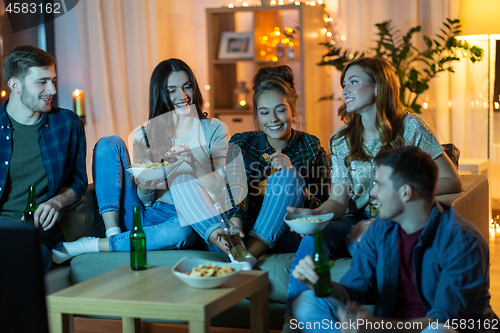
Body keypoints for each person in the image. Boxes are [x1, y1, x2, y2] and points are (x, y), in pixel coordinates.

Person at [284, 57, 463, 323]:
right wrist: (313, 215)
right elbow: (338, 201)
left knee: (372, 241)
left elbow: (452, 180)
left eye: (354, 82)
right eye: (344, 84)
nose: (345, 90)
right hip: (352, 218)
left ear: (379, 86)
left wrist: (398, 201)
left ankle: (384, 318)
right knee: (315, 234)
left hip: (394, 216)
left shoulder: (410, 126)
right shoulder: (341, 139)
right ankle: (292, 318)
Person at [290, 146, 498, 333]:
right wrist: (320, 283)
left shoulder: (462, 241)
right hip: (391, 328)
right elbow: (355, 289)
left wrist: (376, 327)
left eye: (379, 185)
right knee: (307, 302)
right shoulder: (381, 228)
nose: (372, 193)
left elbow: (446, 321)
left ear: (406, 192)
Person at [52, 58, 229, 262]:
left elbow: (221, 184)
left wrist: (189, 162)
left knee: (182, 232)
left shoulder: (214, 129)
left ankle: (94, 245)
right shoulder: (143, 134)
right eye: (171, 90)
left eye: (187, 87)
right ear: (161, 94)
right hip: (147, 215)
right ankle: (113, 232)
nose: (182, 96)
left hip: (188, 218)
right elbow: (145, 199)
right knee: (109, 143)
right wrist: (147, 184)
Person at [172, 65, 331, 268]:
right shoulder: (241, 143)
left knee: (288, 177)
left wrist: (297, 180)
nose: (273, 119)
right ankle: (239, 255)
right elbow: (232, 185)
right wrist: (236, 218)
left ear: (292, 109)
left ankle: (243, 258)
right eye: (264, 112)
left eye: (280, 110)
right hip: (233, 236)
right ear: (257, 115)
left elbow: (326, 209)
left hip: (280, 237)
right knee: (182, 181)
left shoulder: (311, 147)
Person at [0, 45, 87, 272]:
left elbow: (79, 181)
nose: (52, 89)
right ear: (14, 85)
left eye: (53, 80)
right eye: (42, 82)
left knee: (27, 259)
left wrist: (56, 202)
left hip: (37, 234)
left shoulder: (67, 124)